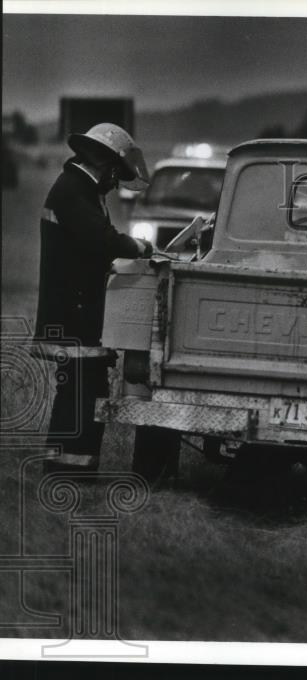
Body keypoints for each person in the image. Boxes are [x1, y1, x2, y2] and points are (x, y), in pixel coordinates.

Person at [35, 123, 154, 472]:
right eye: (117, 174)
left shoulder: (81, 189)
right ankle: (67, 470)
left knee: (84, 389)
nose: (116, 183)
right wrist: (140, 246)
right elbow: (101, 240)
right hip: (74, 310)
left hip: (80, 307)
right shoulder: (74, 190)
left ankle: (74, 468)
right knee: (79, 392)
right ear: (106, 164)